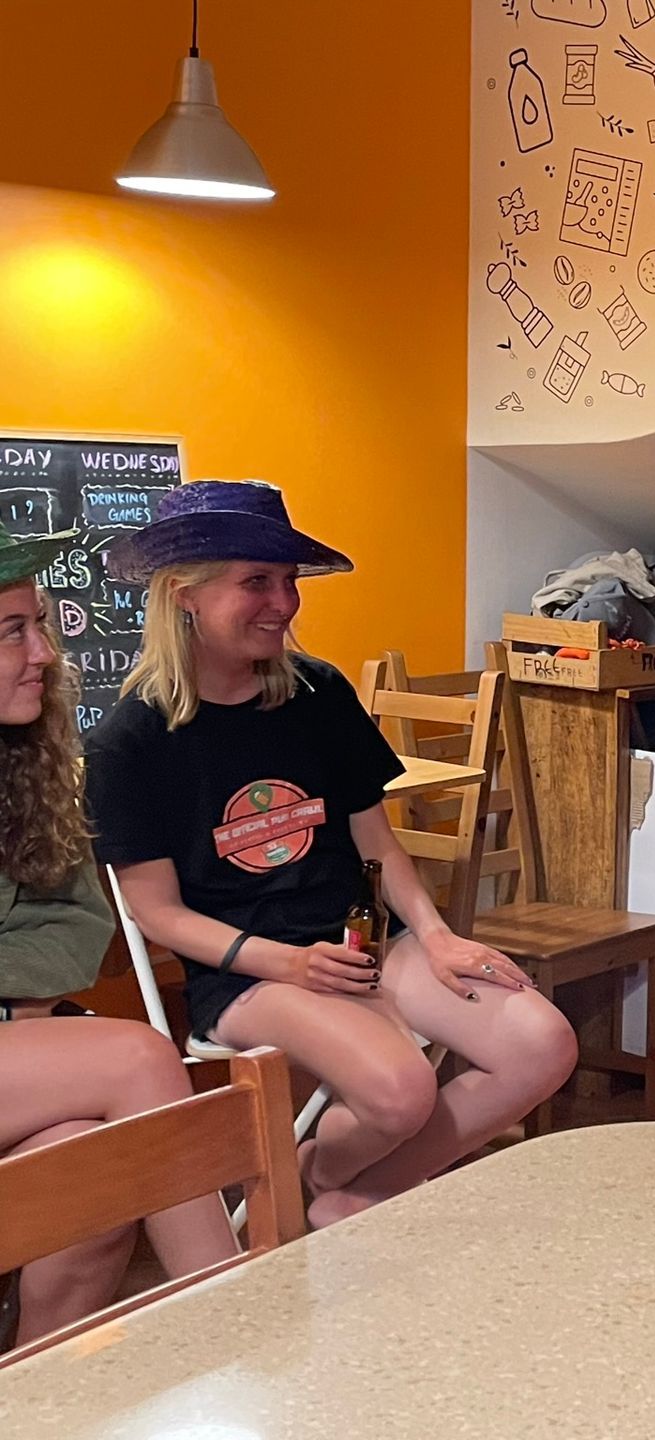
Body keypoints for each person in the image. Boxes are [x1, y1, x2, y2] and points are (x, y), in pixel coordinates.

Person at [85, 481, 578, 1230]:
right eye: (257, 582)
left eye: (288, 582)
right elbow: (157, 914)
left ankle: (351, 1192)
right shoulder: (130, 742)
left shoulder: (317, 692)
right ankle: (320, 1173)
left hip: (364, 946)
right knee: (401, 1091)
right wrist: (288, 964)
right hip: (248, 974)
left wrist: (436, 935)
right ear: (184, 594)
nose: (283, 603)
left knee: (544, 1043)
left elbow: (375, 839)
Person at [0, 522, 239, 1351]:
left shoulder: (25, 761)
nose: (44, 653)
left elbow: (77, 925)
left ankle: (35, 1397)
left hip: (21, 1047)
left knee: (91, 1167)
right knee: (139, 1057)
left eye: (42, 625)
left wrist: (19, 1010)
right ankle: (241, 1327)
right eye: (12, 631)